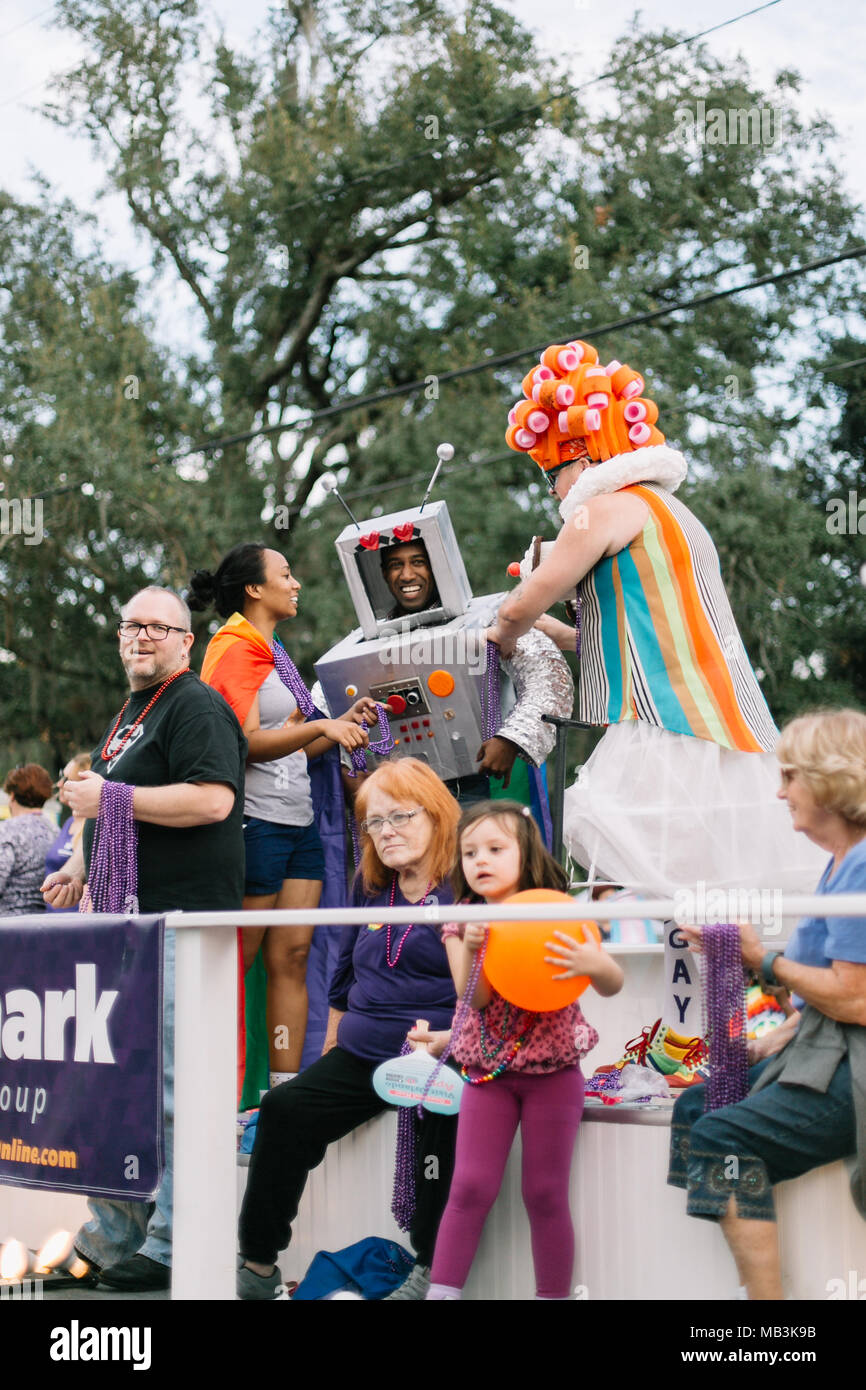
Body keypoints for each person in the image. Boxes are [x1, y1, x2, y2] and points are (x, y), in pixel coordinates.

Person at [490, 337, 824, 898]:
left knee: (645, 862)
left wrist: (502, 632)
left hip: (665, 724)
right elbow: (646, 632)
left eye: (555, 475)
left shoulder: (602, 505)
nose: (554, 491)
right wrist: (561, 633)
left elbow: (528, 596)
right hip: (720, 719)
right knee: (719, 872)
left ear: (584, 459)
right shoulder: (673, 512)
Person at [41, 585, 247, 1292]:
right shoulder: (132, 712)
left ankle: (172, 1242)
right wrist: (75, 863)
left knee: (168, 1089)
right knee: (114, 1089)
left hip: (181, 924)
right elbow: (106, 805)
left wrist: (112, 799)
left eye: (159, 627)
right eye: (132, 626)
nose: (141, 637)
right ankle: (111, 1239)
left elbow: (213, 799)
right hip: (126, 924)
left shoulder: (196, 705)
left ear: (187, 642)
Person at [237, 758, 461, 1301]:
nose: (385, 833)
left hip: (439, 1052)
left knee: (441, 1115)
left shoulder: (464, 886)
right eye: (374, 822)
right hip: (362, 1053)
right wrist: (333, 1035)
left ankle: (430, 1267)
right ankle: (259, 1263)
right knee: (284, 1110)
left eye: (399, 817)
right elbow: (343, 968)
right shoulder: (372, 884)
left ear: (435, 815)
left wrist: (451, 1040)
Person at [669, 708, 866, 1300]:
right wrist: (766, 1041)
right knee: (695, 1109)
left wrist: (762, 959)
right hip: (825, 1046)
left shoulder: (861, 867)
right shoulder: (840, 862)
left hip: (854, 1065)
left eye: (789, 777)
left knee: (720, 1135)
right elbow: (823, 1002)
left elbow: (856, 1000)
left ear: (831, 779)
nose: (780, 792)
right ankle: (731, 1251)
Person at [192, 543, 377, 1085]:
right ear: (254, 589)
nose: (295, 584)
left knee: (293, 958)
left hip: (298, 825)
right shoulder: (233, 648)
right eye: (285, 574)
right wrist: (323, 726)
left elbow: (291, 746)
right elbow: (245, 744)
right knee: (233, 968)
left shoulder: (274, 652)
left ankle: (280, 1092)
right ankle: (214, 1097)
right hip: (255, 824)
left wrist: (342, 721)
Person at [425, 800, 624, 1300]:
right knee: (470, 1187)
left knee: (544, 1193)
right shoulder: (460, 919)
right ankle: (442, 1293)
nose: (480, 860)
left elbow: (611, 983)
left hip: (554, 1075)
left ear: (526, 853)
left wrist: (591, 962)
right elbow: (476, 998)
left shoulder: (557, 912)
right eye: (469, 852)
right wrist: (474, 947)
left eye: (495, 848)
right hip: (487, 1076)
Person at [379, 536, 571, 795]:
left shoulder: (486, 616)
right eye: (395, 565)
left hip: (491, 773)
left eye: (418, 562)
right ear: (384, 574)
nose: (407, 574)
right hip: (408, 789)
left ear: (436, 566)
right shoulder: (369, 641)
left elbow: (547, 673)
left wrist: (510, 740)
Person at [0, 764, 56, 915]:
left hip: (9, 925)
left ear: (12, 795)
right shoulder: (56, 831)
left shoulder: (6, 831)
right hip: (45, 925)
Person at [43, 753, 91, 910]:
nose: (59, 784)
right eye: (60, 777)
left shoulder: (92, 826)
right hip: (52, 918)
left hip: (75, 922)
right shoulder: (69, 822)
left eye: (67, 780)